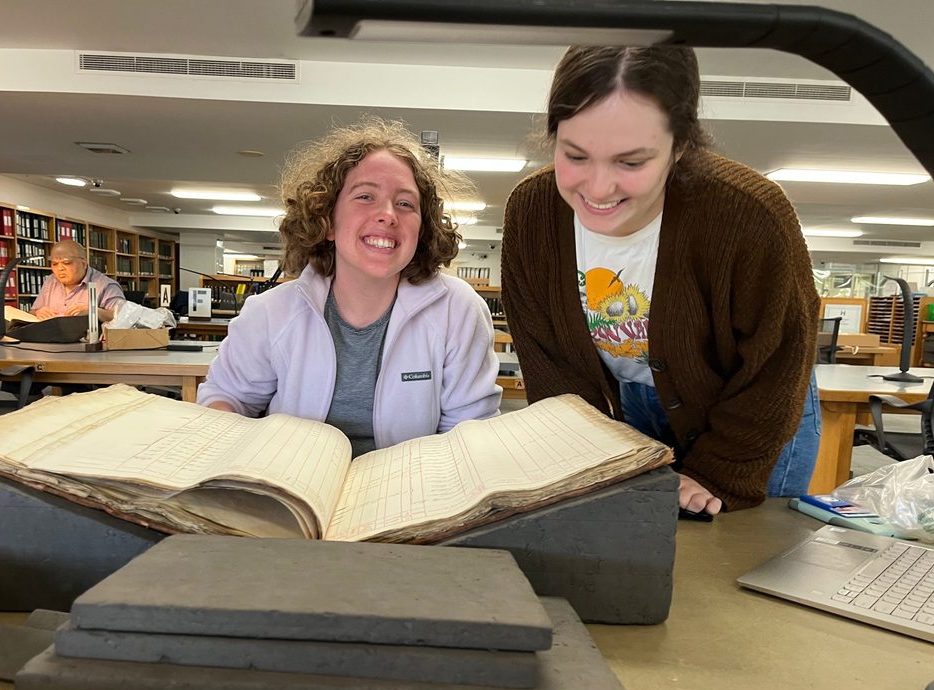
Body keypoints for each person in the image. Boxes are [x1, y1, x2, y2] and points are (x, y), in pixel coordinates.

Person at [500, 45, 820, 514]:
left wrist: (716, 473)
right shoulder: (533, 212)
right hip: (632, 404)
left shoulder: (748, 213)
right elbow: (551, 364)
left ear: (682, 145)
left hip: (756, 413)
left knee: (730, 563)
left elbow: (778, 359)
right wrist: (584, 465)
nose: (598, 187)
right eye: (576, 156)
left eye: (630, 162)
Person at [197, 118, 502, 457]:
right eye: (365, 196)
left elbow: (468, 434)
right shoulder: (271, 313)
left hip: (412, 497)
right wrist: (223, 419)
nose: (387, 214)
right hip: (293, 493)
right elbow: (226, 397)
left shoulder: (458, 310)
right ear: (327, 220)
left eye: (405, 203)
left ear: (422, 228)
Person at [31, 239, 125, 323]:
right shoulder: (51, 281)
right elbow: (32, 312)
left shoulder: (106, 285)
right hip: (50, 338)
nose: (60, 268)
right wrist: (38, 312)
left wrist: (94, 311)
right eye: (55, 264)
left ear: (83, 264)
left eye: (66, 263)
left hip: (86, 340)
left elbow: (124, 317)